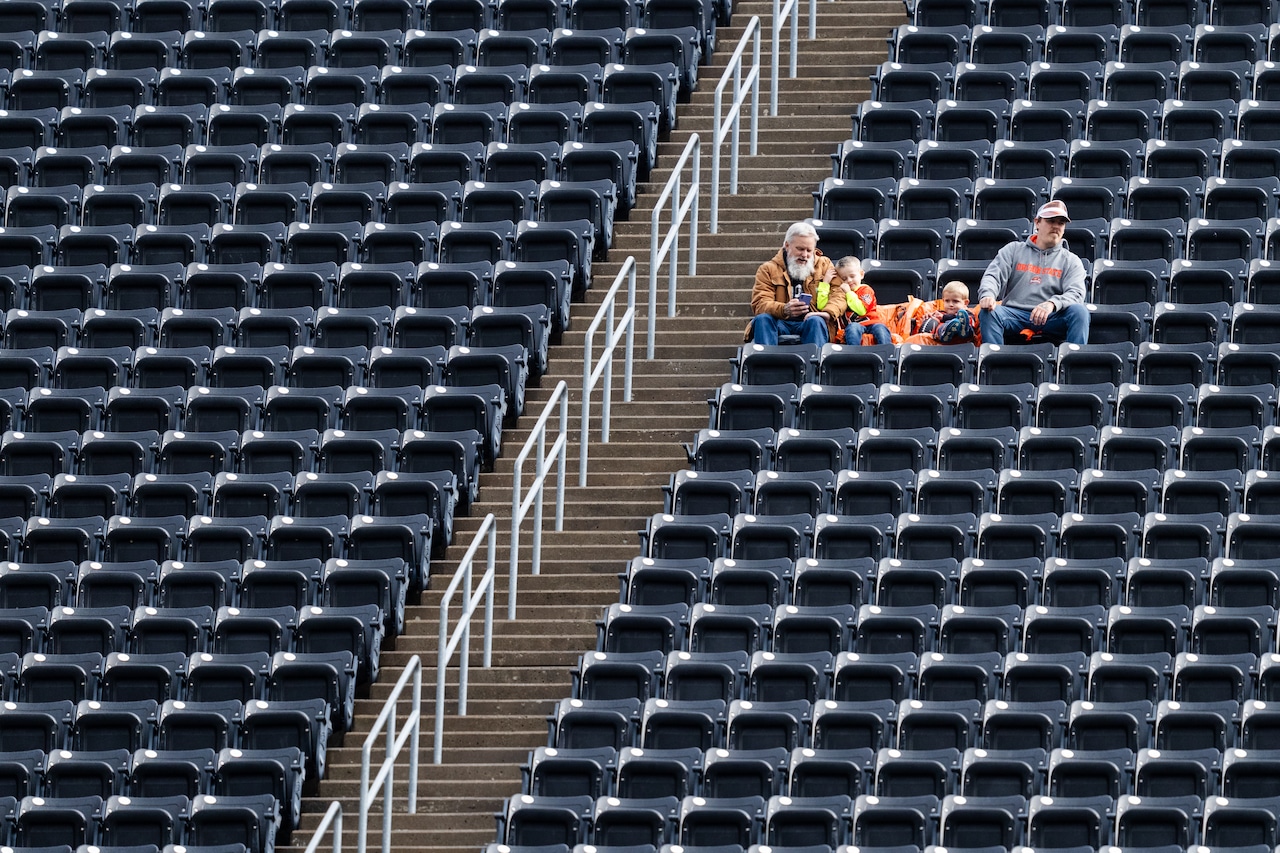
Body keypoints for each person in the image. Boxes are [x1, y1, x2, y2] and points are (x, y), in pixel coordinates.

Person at [977, 199, 1090, 346]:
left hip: (1051, 317)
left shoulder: (1072, 260)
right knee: (988, 312)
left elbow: (1076, 293)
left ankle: (1074, 359)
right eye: (1051, 221)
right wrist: (988, 295)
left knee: (1080, 312)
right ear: (1037, 222)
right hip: (1014, 314)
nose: (1056, 226)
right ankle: (994, 358)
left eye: (1061, 223)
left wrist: (1052, 304)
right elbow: (993, 276)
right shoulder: (1013, 250)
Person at [747, 222, 846, 346]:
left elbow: (839, 294)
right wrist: (784, 309)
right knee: (762, 319)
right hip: (779, 321)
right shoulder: (768, 269)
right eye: (800, 249)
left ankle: (814, 359)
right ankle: (766, 359)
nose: (804, 255)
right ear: (787, 245)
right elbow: (760, 304)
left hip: (810, 321)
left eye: (809, 250)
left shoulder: (824, 265)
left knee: (816, 320)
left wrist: (827, 313)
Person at [832, 256, 893, 345]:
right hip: (853, 325)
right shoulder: (840, 293)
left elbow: (861, 310)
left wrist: (849, 293)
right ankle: (853, 352)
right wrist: (825, 284)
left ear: (861, 274)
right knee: (852, 328)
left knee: (881, 329)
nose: (849, 280)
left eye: (852, 276)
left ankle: (886, 350)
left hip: (872, 323)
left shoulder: (866, 290)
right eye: (844, 279)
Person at [902, 280, 977, 346]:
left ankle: (963, 329)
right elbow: (929, 323)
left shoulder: (967, 313)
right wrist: (928, 318)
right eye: (947, 301)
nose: (951, 304)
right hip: (942, 338)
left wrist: (944, 317)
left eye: (955, 301)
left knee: (967, 321)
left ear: (965, 303)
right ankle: (947, 332)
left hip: (964, 338)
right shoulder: (940, 313)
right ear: (943, 301)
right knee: (944, 325)